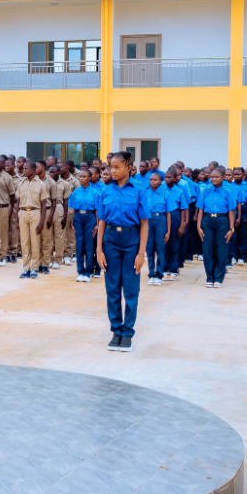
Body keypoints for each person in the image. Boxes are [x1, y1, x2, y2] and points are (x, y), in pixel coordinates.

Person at [96, 151, 149, 352]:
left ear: (129, 166)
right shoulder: (105, 191)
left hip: (131, 240)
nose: (113, 171)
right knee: (112, 288)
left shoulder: (139, 191)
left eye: (117, 167)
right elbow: (101, 221)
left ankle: (127, 333)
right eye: (111, 167)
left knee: (130, 288)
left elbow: (144, 224)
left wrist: (141, 253)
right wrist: (99, 250)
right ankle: (116, 330)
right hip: (110, 240)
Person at [196, 167, 236, 288]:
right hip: (207, 221)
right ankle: (210, 277)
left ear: (223, 178)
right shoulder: (206, 191)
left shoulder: (227, 191)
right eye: (212, 177)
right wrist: (198, 226)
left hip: (222, 221)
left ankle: (218, 278)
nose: (214, 179)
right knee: (207, 250)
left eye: (217, 177)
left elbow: (231, 211)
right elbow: (200, 210)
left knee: (221, 250)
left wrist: (231, 228)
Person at [16, 161, 49, 279]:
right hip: (23, 212)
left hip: (35, 212)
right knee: (24, 243)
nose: (23, 170)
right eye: (23, 168)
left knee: (35, 242)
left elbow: (44, 204)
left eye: (26, 169)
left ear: (34, 170)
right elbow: (18, 202)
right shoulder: (20, 184)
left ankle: (34, 268)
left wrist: (41, 222)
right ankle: (26, 268)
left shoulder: (41, 184)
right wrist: (16, 220)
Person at [68, 167, 98, 282]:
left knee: (89, 245)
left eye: (84, 176)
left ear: (90, 178)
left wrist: (97, 224)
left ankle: (88, 271)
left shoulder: (95, 192)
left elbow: (96, 210)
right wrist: (72, 222)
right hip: (78, 218)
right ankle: (80, 271)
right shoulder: (76, 192)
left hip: (90, 217)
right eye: (80, 176)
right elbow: (73, 209)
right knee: (79, 245)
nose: (81, 178)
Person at [145, 170, 171, 285]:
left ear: (161, 181)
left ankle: (159, 275)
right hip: (148, 221)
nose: (152, 181)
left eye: (155, 179)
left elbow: (169, 214)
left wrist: (168, 231)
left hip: (160, 219)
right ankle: (151, 274)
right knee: (149, 249)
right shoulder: (145, 193)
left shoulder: (165, 194)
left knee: (160, 249)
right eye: (150, 179)